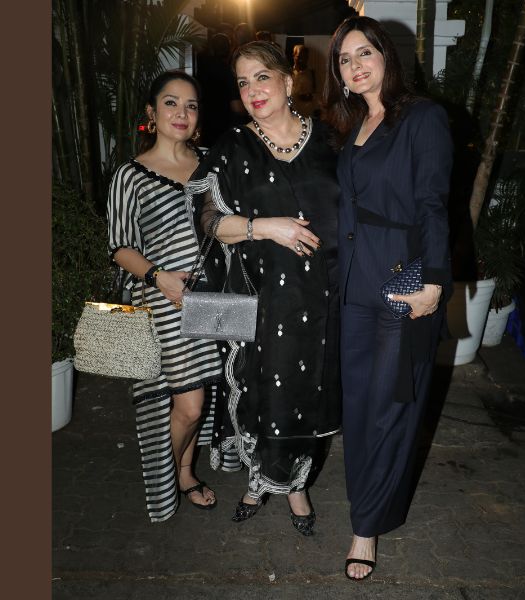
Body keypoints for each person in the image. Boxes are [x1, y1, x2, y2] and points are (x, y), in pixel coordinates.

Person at [186, 41, 342, 536]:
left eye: (262, 77)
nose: (252, 90)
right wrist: (267, 227)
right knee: (266, 390)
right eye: (242, 81)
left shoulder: (331, 139)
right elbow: (210, 221)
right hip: (262, 298)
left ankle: (295, 485)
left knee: (307, 390)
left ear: (288, 82)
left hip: (323, 296)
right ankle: (259, 481)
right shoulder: (234, 147)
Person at [322, 16, 453, 580]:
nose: (355, 65)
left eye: (364, 52)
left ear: (386, 56)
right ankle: (364, 502)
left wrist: (433, 282)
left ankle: (366, 527)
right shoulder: (353, 124)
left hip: (403, 280)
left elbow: (433, 204)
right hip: (354, 284)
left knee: (390, 407)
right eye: (344, 59)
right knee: (359, 408)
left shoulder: (421, 117)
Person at [106, 71, 222, 522]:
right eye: (171, 103)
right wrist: (160, 278)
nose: (181, 113)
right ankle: (165, 476)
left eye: (191, 105)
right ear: (151, 113)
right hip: (166, 302)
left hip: (214, 298)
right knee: (189, 404)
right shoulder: (130, 175)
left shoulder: (212, 163)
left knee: (202, 397)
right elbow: (119, 246)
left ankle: (186, 473)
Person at [291, 43, 319, 118]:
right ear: (294, 56)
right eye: (299, 57)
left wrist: (309, 96)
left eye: (304, 57)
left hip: (307, 115)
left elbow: (317, 94)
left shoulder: (312, 74)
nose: (302, 60)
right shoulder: (288, 73)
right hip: (292, 116)